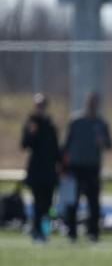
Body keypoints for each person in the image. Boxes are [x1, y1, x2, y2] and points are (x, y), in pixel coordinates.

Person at [62, 91, 112, 242]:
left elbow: (109, 145)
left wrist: (102, 142)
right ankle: (72, 232)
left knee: (93, 201)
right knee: (73, 201)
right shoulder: (76, 121)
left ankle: (93, 233)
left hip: (92, 167)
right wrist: (63, 166)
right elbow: (66, 145)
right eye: (90, 102)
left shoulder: (101, 123)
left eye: (95, 102)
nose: (92, 105)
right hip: (75, 167)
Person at [20, 93, 60, 242]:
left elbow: (56, 149)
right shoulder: (31, 123)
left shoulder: (50, 125)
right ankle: (36, 231)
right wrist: (31, 133)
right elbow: (24, 145)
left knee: (49, 205)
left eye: (43, 105)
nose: (40, 108)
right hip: (36, 170)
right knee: (38, 203)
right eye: (38, 105)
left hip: (49, 171)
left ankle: (45, 231)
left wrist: (61, 165)